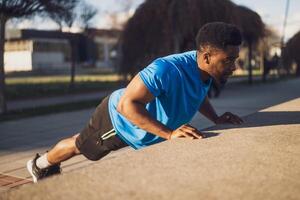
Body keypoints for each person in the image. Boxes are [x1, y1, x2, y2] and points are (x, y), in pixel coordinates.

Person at [27, 22, 244, 183]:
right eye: (228, 60)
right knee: (79, 146)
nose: (233, 67)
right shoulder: (166, 69)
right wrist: (169, 134)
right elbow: (126, 105)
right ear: (206, 57)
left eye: (234, 59)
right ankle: (40, 165)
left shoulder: (203, 71)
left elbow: (196, 93)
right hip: (120, 122)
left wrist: (215, 117)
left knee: (79, 142)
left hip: (147, 129)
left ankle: (44, 164)